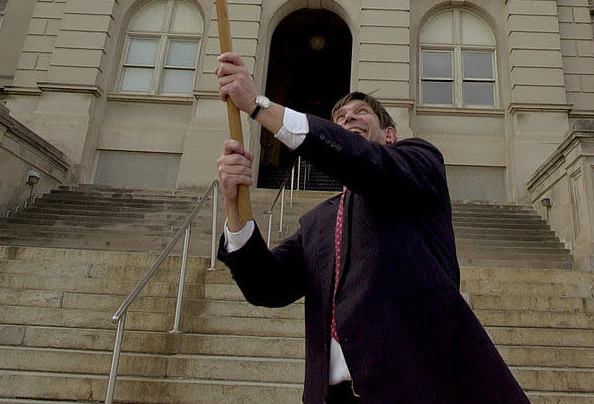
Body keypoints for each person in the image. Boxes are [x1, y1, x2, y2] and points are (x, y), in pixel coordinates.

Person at [216, 51, 532, 404]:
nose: (348, 116)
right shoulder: (319, 222)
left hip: (422, 387)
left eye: (361, 112)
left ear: (390, 134)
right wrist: (234, 205)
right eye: (339, 117)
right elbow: (266, 286)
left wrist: (260, 106)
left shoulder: (418, 167)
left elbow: (364, 161)